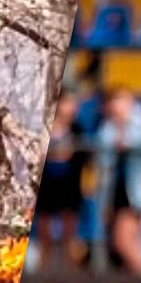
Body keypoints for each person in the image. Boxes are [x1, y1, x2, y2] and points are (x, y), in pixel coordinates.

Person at [93, 87, 141, 275]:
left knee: (123, 240)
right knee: (130, 240)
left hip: (138, 190)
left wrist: (127, 140)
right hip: (114, 189)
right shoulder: (107, 127)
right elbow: (102, 160)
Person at [34, 90, 87, 273]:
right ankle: (43, 273)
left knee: (69, 236)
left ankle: (70, 274)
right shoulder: (43, 128)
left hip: (69, 187)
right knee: (45, 237)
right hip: (46, 187)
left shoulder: (77, 129)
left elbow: (82, 158)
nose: (71, 108)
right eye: (67, 103)